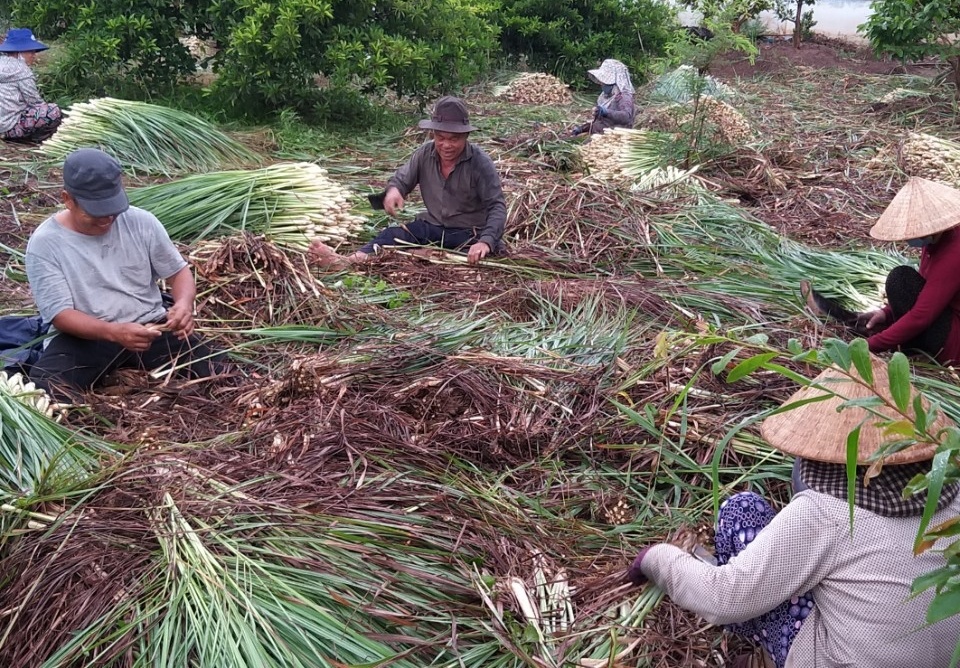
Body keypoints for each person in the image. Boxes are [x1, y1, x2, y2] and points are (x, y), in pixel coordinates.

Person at [625, 359, 960, 668]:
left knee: (740, 512)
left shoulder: (825, 513)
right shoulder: (953, 495)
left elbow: (723, 598)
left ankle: (764, 657)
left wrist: (657, 559)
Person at [25, 148, 218, 400]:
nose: (107, 219)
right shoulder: (46, 243)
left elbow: (178, 272)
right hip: (86, 337)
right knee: (46, 392)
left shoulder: (141, 222)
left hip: (150, 328)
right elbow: (61, 315)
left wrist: (183, 305)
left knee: (219, 370)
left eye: (112, 209)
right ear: (67, 199)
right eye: (95, 213)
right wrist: (113, 332)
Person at [309, 96, 506, 267]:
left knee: (467, 259)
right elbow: (402, 179)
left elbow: (497, 206)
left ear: (466, 136)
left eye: (453, 139)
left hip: (468, 233)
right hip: (434, 226)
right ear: (433, 134)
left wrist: (486, 242)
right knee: (392, 235)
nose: (446, 145)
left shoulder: (480, 163)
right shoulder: (425, 154)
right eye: (440, 137)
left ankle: (423, 255)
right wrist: (395, 190)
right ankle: (345, 261)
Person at [802, 177, 960, 366]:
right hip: (943, 320)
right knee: (902, 282)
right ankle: (857, 322)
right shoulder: (938, 237)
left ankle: (861, 329)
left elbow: (922, 315)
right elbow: (927, 290)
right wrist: (886, 312)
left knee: (900, 279)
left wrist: (868, 347)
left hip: (954, 347)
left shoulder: (954, 252)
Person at [0, 28, 61, 143]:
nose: (34, 56)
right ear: (19, 52)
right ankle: (33, 139)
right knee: (53, 110)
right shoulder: (22, 71)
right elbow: (34, 101)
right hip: (9, 126)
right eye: (31, 52)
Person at [571, 59, 635, 137]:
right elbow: (600, 123)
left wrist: (606, 112)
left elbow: (626, 117)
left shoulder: (624, 97)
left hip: (615, 139)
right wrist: (582, 128)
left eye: (604, 81)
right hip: (600, 137)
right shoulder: (605, 97)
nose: (601, 83)